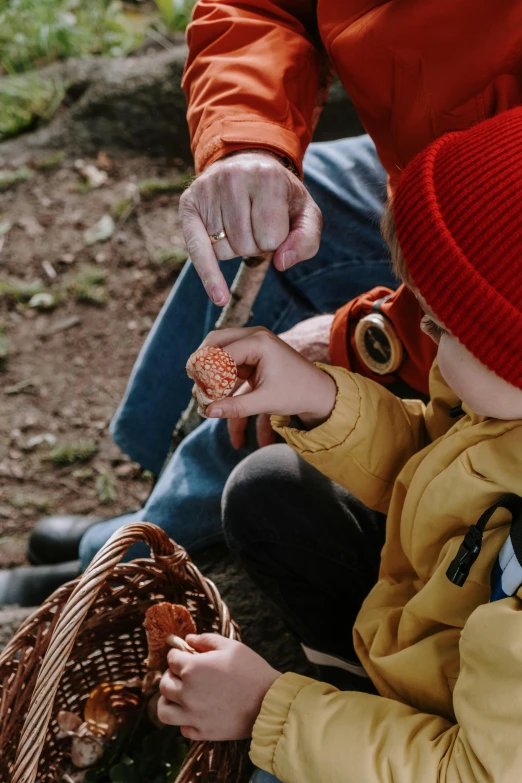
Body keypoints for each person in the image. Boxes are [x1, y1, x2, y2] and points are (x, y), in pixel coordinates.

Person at [5, 0, 521, 602]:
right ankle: (152, 508)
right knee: (270, 200)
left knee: (281, 415)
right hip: (428, 175)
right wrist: (249, 142)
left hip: (491, 225)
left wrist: (362, 337)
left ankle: (136, 565)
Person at [157, 108, 522, 783]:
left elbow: (473, 771)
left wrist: (268, 707)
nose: (427, 342)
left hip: (463, 752)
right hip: (436, 650)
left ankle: (335, 730)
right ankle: (350, 698)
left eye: (440, 327)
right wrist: (318, 398)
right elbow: (438, 469)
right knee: (272, 489)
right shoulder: (500, 408)